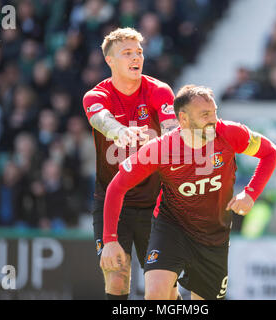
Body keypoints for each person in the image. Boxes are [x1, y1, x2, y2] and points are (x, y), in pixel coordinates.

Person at [100, 85, 276, 300]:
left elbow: (271, 153)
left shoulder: (231, 133)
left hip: (214, 235)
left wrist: (250, 193)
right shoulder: (160, 149)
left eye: (214, 112)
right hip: (171, 227)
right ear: (183, 119)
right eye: (205, 115)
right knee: (156, 294)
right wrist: (110, 240)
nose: (213, 119)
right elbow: (116, 187)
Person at [82, 27, 179, 300]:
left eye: (139, 52)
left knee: (164, 288)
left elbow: (172, 128)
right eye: (127, 53)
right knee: (116, 277)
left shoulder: (159, 90)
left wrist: (174, 141)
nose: (136, 58)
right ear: (109, 60)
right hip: (112, 201)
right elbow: (99, 119)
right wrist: (119, 131)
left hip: (158, 203)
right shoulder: (96, 95)